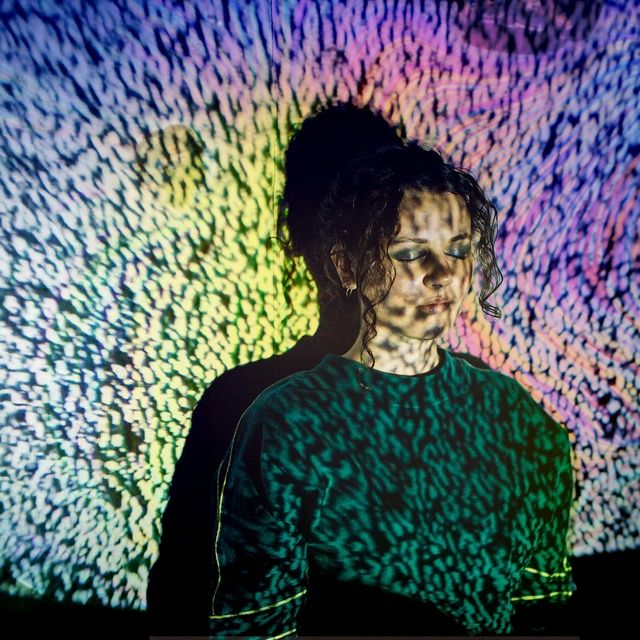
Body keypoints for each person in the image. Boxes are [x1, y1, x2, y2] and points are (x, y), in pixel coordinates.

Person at [208, 143, 575, 637]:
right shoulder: (289, 423)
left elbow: (544, 612)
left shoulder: (517, 419)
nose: (443, 275)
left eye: (458, 250)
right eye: (409, 253)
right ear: (347, 267)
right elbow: (256, 624)